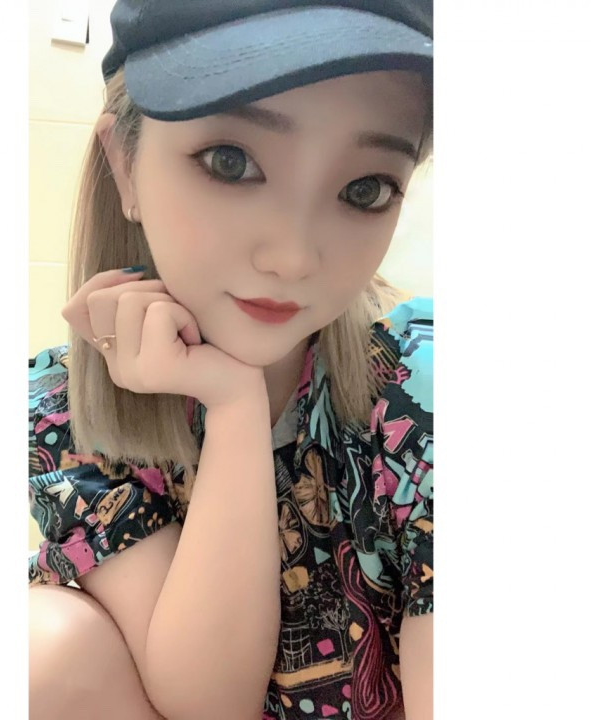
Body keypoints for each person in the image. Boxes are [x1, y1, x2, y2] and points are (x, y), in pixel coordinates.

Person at [28, 2, 433, 719]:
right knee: (36, 646)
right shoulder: (63, 408)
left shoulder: (423, 385)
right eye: (231, 162)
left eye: (365, 189)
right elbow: (208, 703)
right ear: (125, 165)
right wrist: (235, 407)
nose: (292, 256)